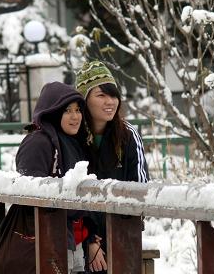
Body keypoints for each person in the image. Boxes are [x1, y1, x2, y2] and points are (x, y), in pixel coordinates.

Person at [0, 81, 90, 274]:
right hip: (44, 239)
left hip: (72, 238)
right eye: (67, 110)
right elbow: (31, 187)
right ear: (52, 112)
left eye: (78, 110)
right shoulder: (38, 142)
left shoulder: (72, 142)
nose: (75, 116)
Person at [75, 60, 149, 273]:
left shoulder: (127, 135)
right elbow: (69, 191)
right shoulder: (73, 135)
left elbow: (140, 189)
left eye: (114, 95)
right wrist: (89, 239)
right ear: (84, 99)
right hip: (81, 237)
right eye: (101, 95)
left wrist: (116, 235)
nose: (110, 102)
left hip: (121, 233)